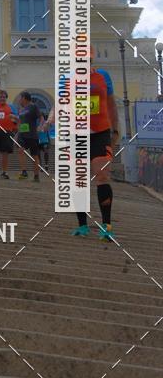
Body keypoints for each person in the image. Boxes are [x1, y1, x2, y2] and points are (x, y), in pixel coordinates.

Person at [72, 47, 119, 240]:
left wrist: (115, 130)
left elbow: (111, 104)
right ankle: (82, 225)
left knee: (102, 175)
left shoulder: (103, 76)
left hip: (100, 132)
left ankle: (106, 225)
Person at [16, 91, 41, 182]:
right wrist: (17, 133)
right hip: (22, 134)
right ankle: (24, 172)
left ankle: (36, 175)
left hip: (32, 134)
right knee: (20, 150)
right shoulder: (22, 109)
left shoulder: (33, 106)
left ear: (24, 98)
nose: (19, 100)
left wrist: (40, 126)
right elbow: (20, 122)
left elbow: (41, 117)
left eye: (20, 98)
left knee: (35, 155)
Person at [0, 90, 17, 178]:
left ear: (6, 98)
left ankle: (4, 172)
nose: (3, 98)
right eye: (1, 97)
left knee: (5, 153)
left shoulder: (11, 107)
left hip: (7, 132)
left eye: (4, 97)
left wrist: (15, 130)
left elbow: (16, 119)